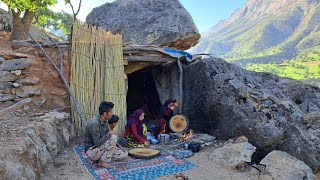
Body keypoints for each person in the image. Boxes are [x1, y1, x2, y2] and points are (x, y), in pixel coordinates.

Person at [84, 101, 128, 168]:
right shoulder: (95, 123)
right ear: (105, 114)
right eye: (110, 112)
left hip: (102, 147)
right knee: (113, 137)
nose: (112, 114)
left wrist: (120, 147)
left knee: (123, 154)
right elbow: (97, 143)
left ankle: (102, 157)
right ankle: (102, 161)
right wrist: (109, 134)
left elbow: (108, 139)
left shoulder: (105, 122)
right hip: (92, 151)